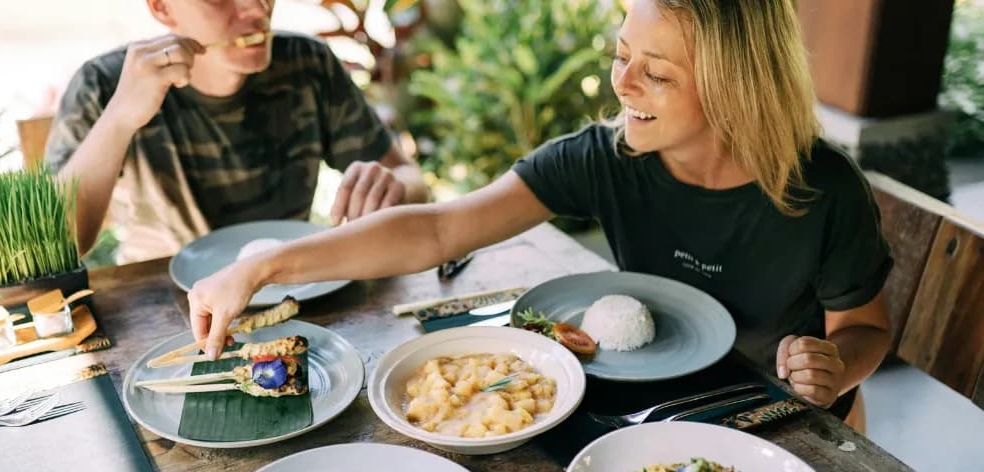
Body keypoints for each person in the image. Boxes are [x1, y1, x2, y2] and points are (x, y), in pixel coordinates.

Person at [184, 0, 893, 428]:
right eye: (622, 55)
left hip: (783, 422)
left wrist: (835, 366)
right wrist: (265, 266)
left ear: (737, 88)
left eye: (658, 73)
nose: (623, 82)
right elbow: (438, 228)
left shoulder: (822, 190)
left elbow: (865, 332)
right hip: (654, 404)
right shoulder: (604, 156)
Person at [45, 0, 429, 263]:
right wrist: (119, 118)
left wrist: (391, 186)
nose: (257, 8)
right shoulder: (105, 85)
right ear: (161, 7)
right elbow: (60, 242)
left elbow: (412, 181)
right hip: (165, 300)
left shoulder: (306, 63)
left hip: (296, 280)